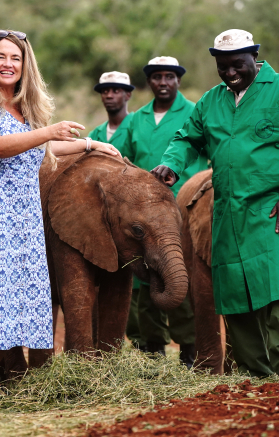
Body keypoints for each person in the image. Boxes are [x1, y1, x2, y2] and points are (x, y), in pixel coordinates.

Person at [152, 29, 279, 381]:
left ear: (254, 57)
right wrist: (172, 163)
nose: (230, 72)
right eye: (223, 66)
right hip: (228, 210)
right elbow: (188, 138)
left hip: (275, 209)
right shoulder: (212, 101)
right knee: (235, 291)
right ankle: (252, 370)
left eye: (237, 64)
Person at [0, 30, 121, 392]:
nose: (8, 64)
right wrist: (48, 131)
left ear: (24, 65)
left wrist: (91, 145)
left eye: (15, 58)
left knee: (14, 291)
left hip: (25, 215)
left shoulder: (25, 107)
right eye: (1, 57)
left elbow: (41, 153)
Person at [117, 56, 209, 368]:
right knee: (145, 276)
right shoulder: (137, 119)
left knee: (178, 271)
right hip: (142, 213)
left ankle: (189, 351)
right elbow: (124, 163)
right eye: (157, 77)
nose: (163, 82)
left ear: (178, 80)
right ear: (149, 82)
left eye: (169, 76)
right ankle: (151, 351)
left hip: (181, 207)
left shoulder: (195, 112)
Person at [87, 71, 141, 348]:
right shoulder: (95, 134)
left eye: (116, 90)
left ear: (128, 94)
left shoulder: (137, 127)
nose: (110, 95)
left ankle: (149, 346)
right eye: (105, 90)